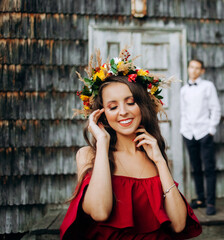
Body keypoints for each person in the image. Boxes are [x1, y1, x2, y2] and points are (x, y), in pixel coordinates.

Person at [60, 48, 202, 240]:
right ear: (102, 113)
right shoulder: (89, 155)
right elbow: (99, 211)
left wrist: (160, 162)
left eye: (131, 102)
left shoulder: (153, 156)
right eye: (113, 106)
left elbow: (178, 224)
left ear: (142, 106)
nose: (123, 112)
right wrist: (102, 142)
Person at [180, 59, 221, 216]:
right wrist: (184, 130)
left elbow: (215, 108)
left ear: (202, 71)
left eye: (198, 68)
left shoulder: (208, 87)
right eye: (192, 67)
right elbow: (183, 112)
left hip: (204, 133)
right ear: (188, 68)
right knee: (196, 167)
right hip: (189, 133)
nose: (194, 70)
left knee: (209, 168)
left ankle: (210, 202)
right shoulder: (184, 89)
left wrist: (211, 130)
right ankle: (200, 199)